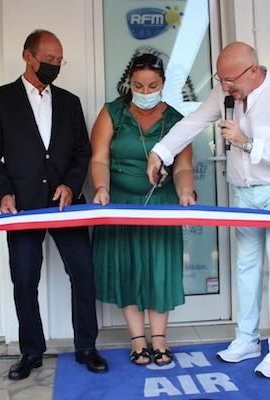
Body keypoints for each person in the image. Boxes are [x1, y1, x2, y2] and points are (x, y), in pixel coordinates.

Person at [146, 42, 270, 378]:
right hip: (242, 190)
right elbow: (194, 122)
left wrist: (246, 142)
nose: (224, 86)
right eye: (220, 79)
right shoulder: (224, 93)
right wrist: (160, 152)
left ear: (253, 71)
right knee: (246, 264)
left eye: (230, 80)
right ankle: (247, 339)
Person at [0, 29, 107, 380]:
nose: (55, 66)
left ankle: (86, 347)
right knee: (24, 280)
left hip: (67, 204)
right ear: (28, 56)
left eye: (59, 61)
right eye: (49, 60)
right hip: (22, 207)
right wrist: (4, 194)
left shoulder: (70, 102)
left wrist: (70, 185)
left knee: (83, 274)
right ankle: (31, 352)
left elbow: (82, 152)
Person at [90, 53, 195, 366]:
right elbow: (99, 158)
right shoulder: (112, 112)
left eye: (153, 86)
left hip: (161, 205)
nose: (146, 92)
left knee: (159, 268)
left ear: (163, 84)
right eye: (139, 86)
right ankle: (137, 339)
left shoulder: (176, 119)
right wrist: (101, 188)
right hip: (120, 203)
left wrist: (185, 192)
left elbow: (183, 167)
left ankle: (159, 338)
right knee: (128, 268)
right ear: (129, 83)